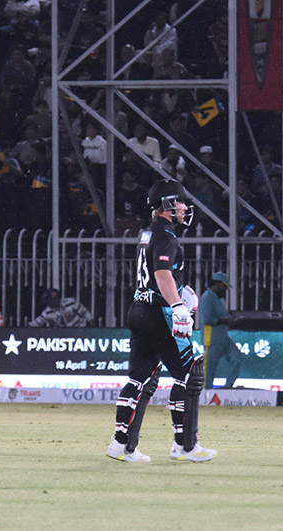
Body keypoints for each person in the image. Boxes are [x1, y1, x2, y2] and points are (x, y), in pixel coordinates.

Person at [106, 179, 216, 463]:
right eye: (180, 202)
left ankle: (121, 445)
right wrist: (178, 305)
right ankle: (186, 446)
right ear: (168, 204)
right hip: (158, 314)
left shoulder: (147, 233)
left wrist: (180, 291)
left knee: (139, 378)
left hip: (139, 309)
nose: (184, 208)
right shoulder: (167, 235)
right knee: (190, 375)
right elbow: (162, 275)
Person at [199, 272, 243, 389]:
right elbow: (207, 319)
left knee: (236, 359)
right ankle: (205, 394)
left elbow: (222, 316)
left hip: (223, 337)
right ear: (216, 284)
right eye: (224, 286)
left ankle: (228, 387)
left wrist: (230, 318)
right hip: (211, 339)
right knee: (209, 369)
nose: (226, 289)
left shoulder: (219, 299)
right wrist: (227, 321)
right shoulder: (206, 298)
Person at [28, 288, 93, 328]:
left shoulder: (70, 302)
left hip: (81, 330)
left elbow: (87, 314)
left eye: (51, 300)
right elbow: (35, 324)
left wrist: (94, 329)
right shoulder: (47, 312)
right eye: (47, 302)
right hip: (64, 335)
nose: (49, 303)